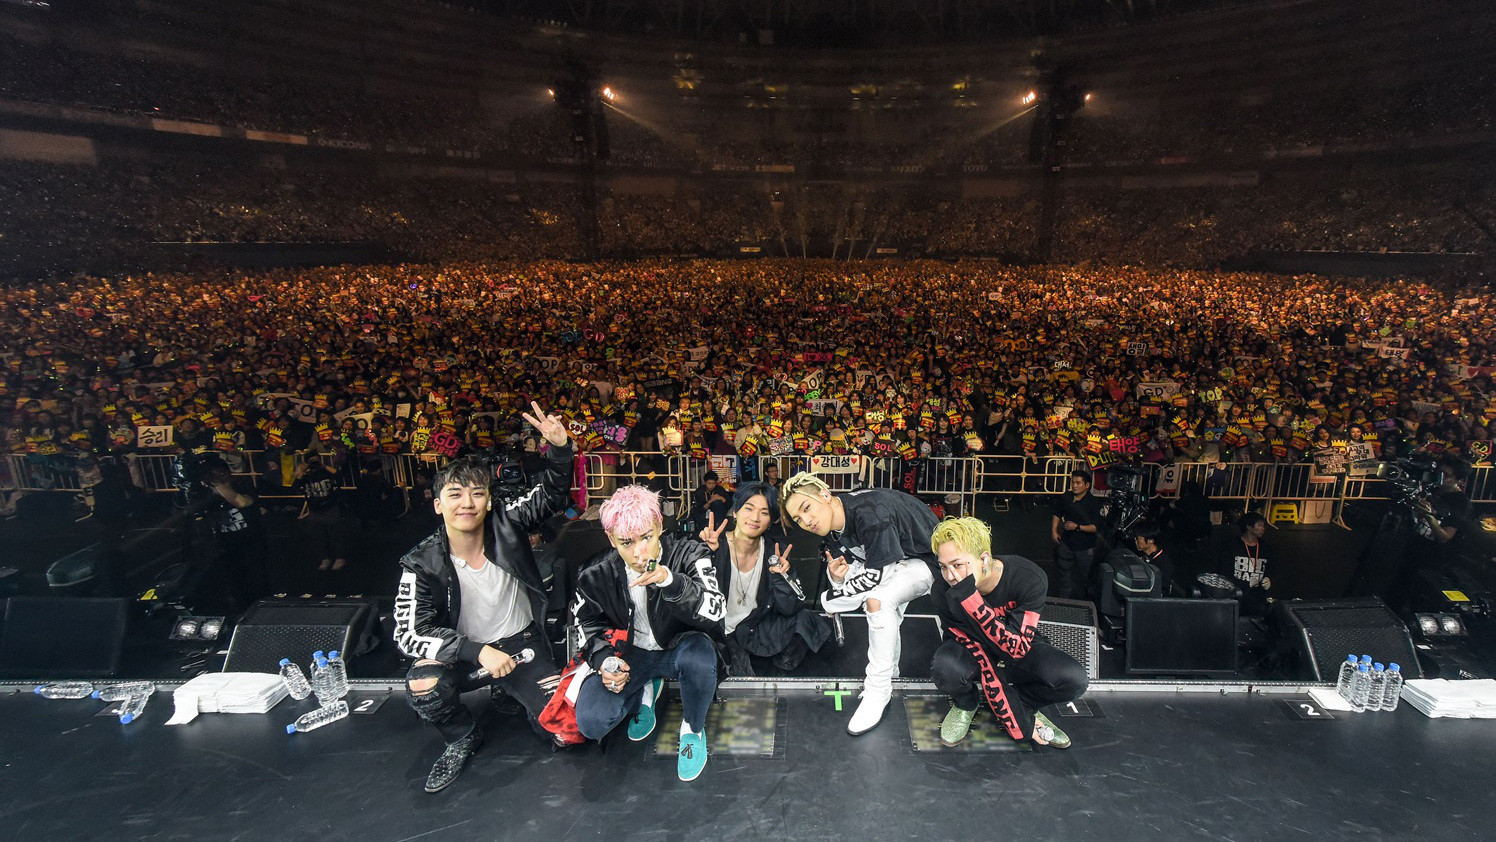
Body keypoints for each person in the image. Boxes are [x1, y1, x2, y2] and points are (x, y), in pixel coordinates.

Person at [394, 402, 574, 794]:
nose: (467, 503)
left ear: (489, 501)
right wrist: (476, 651)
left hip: (522, 646)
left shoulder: (508, 521)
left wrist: (560, 450)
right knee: (424, 684)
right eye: (455, 494)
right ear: (438, 504)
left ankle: (506, 687)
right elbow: (408, 634)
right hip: (467, 654)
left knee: (565, 733)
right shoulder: (421, 563)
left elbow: (552, 494)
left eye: (477, 494)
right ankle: (462, 735)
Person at [572, 485, 726, 782]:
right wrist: (604, 660)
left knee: (699, 659)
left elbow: (716, 610)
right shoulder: (594, 572)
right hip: (633, 654)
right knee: (592, 721)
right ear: (611, 539)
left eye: (646, 538)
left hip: (682, 646)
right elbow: (585, 624)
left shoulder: (689, 553)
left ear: (658, 526)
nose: (639, 553)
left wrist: (672, 582)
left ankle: (693, 729)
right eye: (626, 542)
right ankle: (645, 690)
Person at [779, 471, 936, 735]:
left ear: (825, 495)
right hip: (899, 560)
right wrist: (836, 578)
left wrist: (831, 600)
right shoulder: (831, 527)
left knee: (878, 601)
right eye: (798, 519)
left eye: (806, 508)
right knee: (880, 606)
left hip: (930, 559)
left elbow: (877, 576)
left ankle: (878, 690)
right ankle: (890, 674)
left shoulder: (869, 512)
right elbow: (852, 570)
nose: (806, 521)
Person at [929, 517, 1088, 749]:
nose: (951, 576)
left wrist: (972, 600)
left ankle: (1027, 704)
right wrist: (1018, 720)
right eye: (944, 567)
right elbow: (978, 652)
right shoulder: (942, 591)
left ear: (984, 558)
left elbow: (1016, 649)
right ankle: (966, 704)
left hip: (1018, 643)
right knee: (945, 669)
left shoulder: (1029, 578)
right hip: (974, 646)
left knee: (1074, 680)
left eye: (958, 564)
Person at [699, 482, 832, 676]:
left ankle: (779, 673)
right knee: (737, 675)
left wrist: (782, 577)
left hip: (753, 628)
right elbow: (690, 598)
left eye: (764, 513)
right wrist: (706, 553)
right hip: (717, 632)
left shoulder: (774, 552)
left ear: (770, 521)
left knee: (807, 620)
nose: (755, 518)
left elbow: (789, 609)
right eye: (748, 509)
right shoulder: (713, 546)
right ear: (735, 512)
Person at [198, 454, 269, 613]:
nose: (218, 477)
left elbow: (241, 502)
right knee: (235, 584)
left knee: (257, 581)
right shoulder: (206, 494)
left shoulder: (242, 485)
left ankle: (263, 610)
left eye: (220, 473)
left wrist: (219, 486)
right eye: (213, 475)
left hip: (251, 543)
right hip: (227, 546)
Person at [1050, 469, 1104, 600]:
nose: (1074, 486)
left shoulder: (1094, 503)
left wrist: (1078, 527)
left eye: (1078, 483)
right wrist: (1054, 530)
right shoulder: (1067, 497)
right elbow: (1057, 513)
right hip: (1067, 542)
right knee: (1063, 571)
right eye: (1073, 482)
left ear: (1087, 485)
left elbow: (1097, 527)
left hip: (1085, 546)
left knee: (1087, 575)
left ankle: (1089, 600)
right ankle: (1064, 598)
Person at [294, 454, 346, 571]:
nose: (314, 464)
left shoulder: (326, 473)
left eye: (316, 461)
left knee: (336, 535)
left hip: (331, 506)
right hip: (315, 509)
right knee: (319, 536)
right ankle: (325, 558)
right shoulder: (307, 477)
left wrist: (324, 466)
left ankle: (339, 557)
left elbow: (339, 476)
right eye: (311, 461)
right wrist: (302, 471)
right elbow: (295, 486)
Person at [1218, 511, 1271, 617]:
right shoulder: (1232, 546)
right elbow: (1224, 572)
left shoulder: (1265, 547)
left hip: (1258, 597)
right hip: (1236, 595)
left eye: (1263, 526)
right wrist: (1242, 584)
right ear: (1249, 527)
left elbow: (1271, 568)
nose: (1263, 528)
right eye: (1259, 525)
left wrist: (1269, 579)